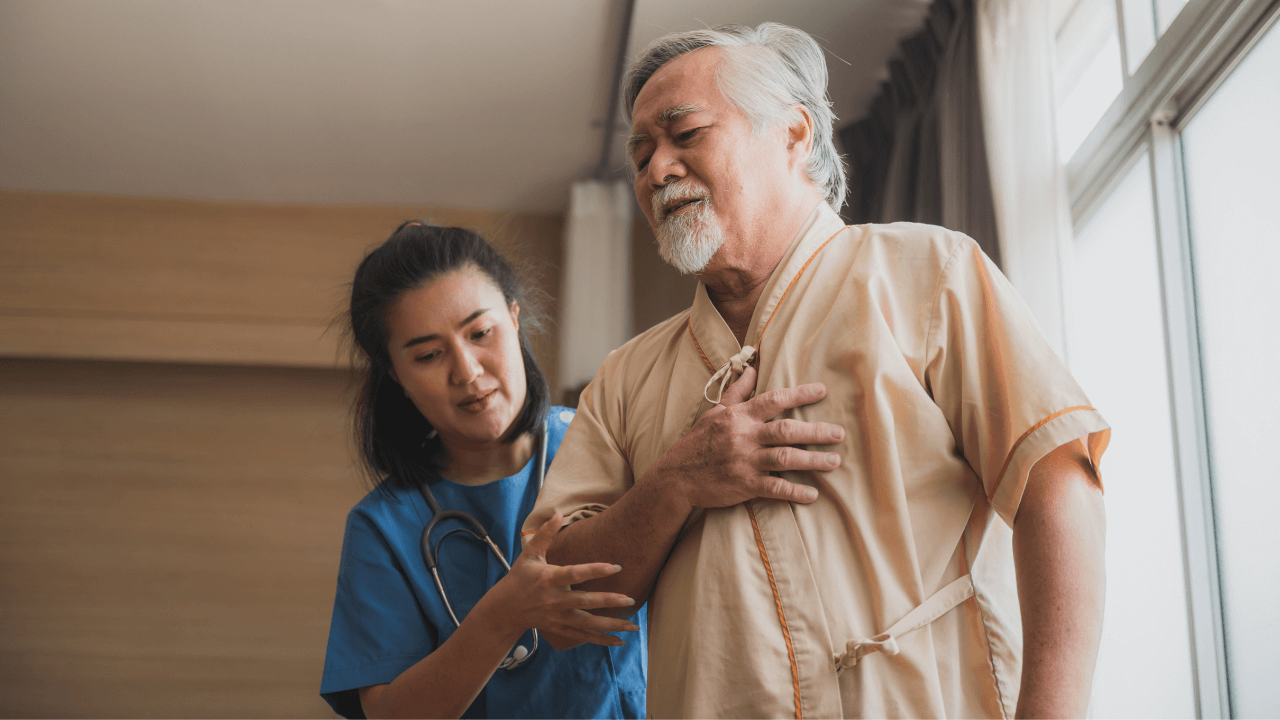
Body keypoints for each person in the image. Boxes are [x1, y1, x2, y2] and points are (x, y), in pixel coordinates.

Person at [525, 23, 1110, 719]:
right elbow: (557, 593)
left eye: (685, 135)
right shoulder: (624, 379)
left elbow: (1058, 488)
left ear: (794, 135)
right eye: (642, 151)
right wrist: (676, 483)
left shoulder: (930, 274)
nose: (656, 169)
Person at [320, 223, 647, 719]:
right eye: (429, 355)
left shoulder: (611, 444)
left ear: (514, 319)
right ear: (395, 375)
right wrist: (504, 614)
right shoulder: (383, 528)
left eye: (480, 333)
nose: (467, 372)